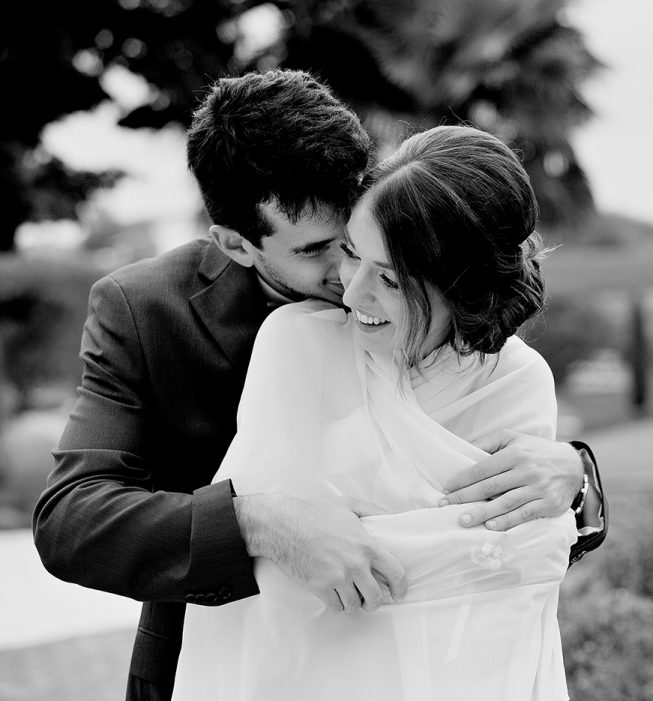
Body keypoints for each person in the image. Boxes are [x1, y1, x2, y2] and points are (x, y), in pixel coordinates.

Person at [32, 70, 604, 701]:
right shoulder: (145, 311)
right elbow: (71, 522)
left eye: (357, 238)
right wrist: (259, 521)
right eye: (318, 250)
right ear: (236, 243)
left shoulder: (413, 269)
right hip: (213, 663)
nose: (348, 275)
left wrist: (576, 478)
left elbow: (485, 418)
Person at [173, 123, 579, 701]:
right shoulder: (296, 343)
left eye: (388, 279)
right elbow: (278, 581)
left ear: (462, 289)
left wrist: (571, 487)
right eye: (351, 254)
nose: (352, 292)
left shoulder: (519, 382)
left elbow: (513, 585)